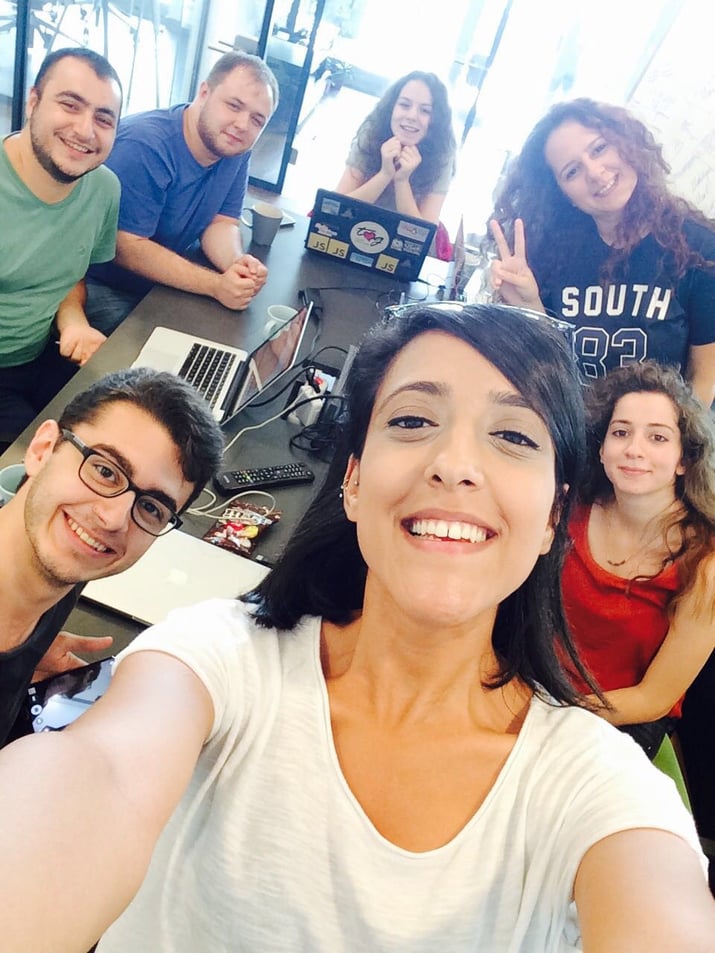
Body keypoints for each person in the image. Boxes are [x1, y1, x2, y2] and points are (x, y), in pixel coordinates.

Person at [0, 304, 712, 953]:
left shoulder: (600, 790)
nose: (455, 466)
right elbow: (96, 777)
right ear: (352, 480)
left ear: (553, 515)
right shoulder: (213, 659)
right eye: (413, 421)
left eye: (511, 434)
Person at [0, 366, 224, 748]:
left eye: (151, 508)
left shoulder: (65, 562)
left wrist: (24, 656)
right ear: (42, 450)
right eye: (105, 471)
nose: (114, 519)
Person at [488, 98, 715, 406]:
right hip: (571, 427)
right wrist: (530, 306)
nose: (594, 172)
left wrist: (673, 434)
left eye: (598, 149)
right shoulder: (551, 256)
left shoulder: (699, 248)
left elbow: (705, 381)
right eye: (572, 171)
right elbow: (548, 371)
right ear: (562, 193)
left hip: (660, 434)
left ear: (625, 143)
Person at [561, 362, 715, 759]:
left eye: (657, 437)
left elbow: (653, 699)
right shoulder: (563, 511)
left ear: (683, 460)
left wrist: (554, 715)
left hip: (621, 723)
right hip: (534, 696)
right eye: (621, 432)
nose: (634, 449)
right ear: (601, 448)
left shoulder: (705, 564)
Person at [85, 51, 279, 336]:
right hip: (102, 283)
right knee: (168, 354)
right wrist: (216, 285)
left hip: (161, 280)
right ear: (204, 92)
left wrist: (236, 264)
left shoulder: (234, 149)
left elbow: (221, 222)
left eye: (257, 120)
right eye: (234, 105)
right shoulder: (146, 145)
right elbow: (126, 247)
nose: (242, 125)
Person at [0, 47, 122, 443]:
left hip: (41, 356)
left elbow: (71, 274)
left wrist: (74, 323)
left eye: (103, 118)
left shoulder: (104, 189)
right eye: (70, 105)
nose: (85, 130)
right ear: (33, 102)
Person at [335, 70, 456, 224]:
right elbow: (336, 208)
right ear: (391, 107)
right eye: (404, 105)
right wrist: (385, 174)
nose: (412, 116)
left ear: (437, 119)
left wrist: (402, 181)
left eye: (425, 111)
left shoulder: (442, 153)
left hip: (403, 236)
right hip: (354, 223)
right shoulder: (372, 133)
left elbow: (423, 231)